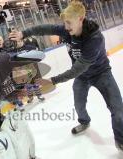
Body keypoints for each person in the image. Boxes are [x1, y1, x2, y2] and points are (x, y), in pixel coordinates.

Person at [9, 1, 123, 151]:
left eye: (69, 23)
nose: (66, 26)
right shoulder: (67, 30)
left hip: (101, 74)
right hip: (82, 78)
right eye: (64, 23)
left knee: (118, 109)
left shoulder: (95, 38)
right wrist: (24, 33)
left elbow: (79, 68)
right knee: (78, 104)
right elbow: (45, 28)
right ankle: (84, 121)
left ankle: (120, 139)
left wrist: (53, 80)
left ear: (81, 19)